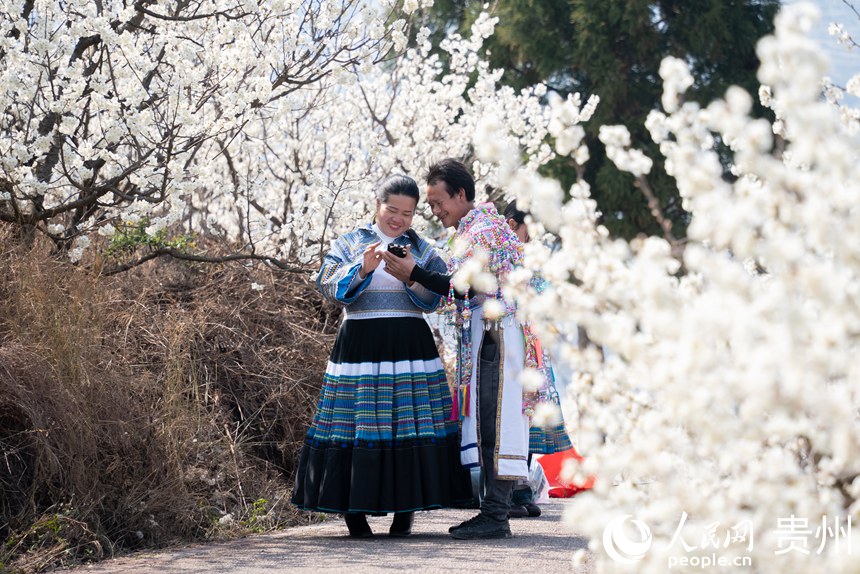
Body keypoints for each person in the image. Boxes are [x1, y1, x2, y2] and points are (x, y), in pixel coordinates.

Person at [291, 174, 473, 538]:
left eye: (407, 213)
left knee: (408, 422)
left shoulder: (422, 246)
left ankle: (404, 511)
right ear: (377, 205)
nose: (399, 219)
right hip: (360, 342)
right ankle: (353, 512)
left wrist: (410, 276)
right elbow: (327, 285)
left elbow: (440, 295)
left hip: (410, 343)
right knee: (357, 422)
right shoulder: (351, 242)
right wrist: (362, 268)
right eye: (392, 210)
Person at [381, 159, 529, 540]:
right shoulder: (478, 226)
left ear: (461, 195)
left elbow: (463, 286)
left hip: (497, 334)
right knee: (485, 418)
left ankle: (496, 515)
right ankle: (492, 511)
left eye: (437, 201)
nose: (434, 211)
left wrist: (413, 272)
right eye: (429, 204)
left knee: (494, 419)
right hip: (491, 332)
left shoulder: (483, 228)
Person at [502, 200, 574, 519]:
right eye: (527, 227)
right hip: (509, 342)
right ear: (512, 223)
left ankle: (523, 486)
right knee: (514, 412)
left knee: (530, 415)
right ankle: (512, 488)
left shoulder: (532, 257)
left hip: (533, 344)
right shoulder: (500, 257)